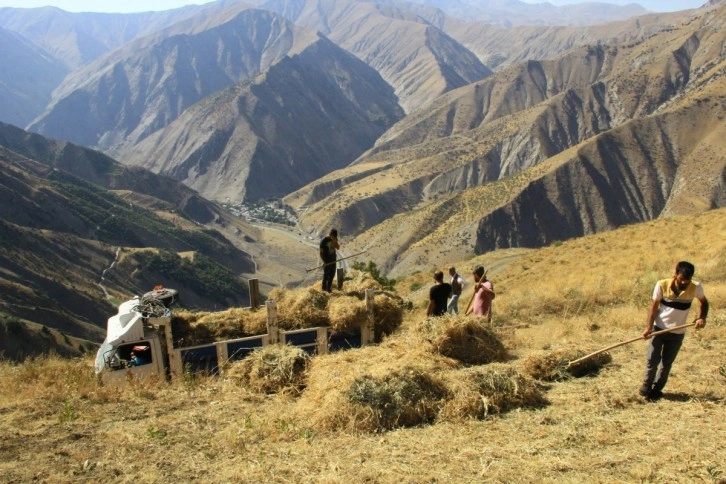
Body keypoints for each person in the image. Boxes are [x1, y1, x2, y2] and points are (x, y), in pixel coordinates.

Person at [639, 261, 708, 400]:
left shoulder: (696, 287)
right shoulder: (662, 285)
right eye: (681, 279)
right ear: (675, 274)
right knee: (652, 361)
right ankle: (646, 385)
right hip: (659, 329)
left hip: (678, 333)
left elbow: (704, 303)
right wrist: (648, 328)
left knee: (666, 364)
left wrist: (702, 318)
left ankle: (657, 390)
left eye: (687, 280)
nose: (684, 283)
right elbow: (654, 308)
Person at [319, 228, 340, 292]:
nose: (333, 238)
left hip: (333, 260)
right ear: (330, 235)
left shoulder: (335, 239)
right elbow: (321, 253)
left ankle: (329, 289)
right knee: (326, 276)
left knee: (332, 275)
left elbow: (338, 247)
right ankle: (323, 290)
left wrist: (334, 241)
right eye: (332, 237)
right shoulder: (324, 241)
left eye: (335, 237)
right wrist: (324, 262)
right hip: (327, 261)